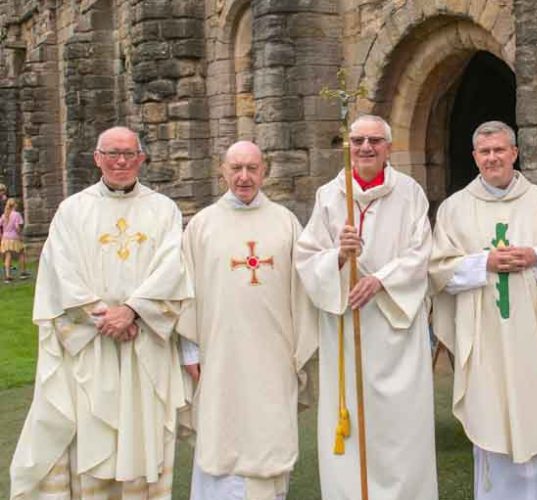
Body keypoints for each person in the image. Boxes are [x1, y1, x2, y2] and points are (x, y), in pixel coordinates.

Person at [9, 126, 192, 499]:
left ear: (141, 158)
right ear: (97, 159)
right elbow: (59, 274)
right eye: (111, 153)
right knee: (93, 434)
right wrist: (103, 317)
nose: (120, 161)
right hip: (92, 349)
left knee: (143, 439)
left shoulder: (164, 210)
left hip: (143, 347)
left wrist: (133, 311)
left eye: (128, 153)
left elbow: (173, 268)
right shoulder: (72, 211)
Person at [429, 121, 537, 500]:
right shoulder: (455, 209)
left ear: (514, 153)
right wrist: (484, 264)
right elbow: (438, 271)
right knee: (491, 420)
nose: (493, 157)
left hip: (533, 335)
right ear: (475, 158)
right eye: (485, 152)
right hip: (485, 338)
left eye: (500, 150)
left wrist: (535, 256)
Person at [296, 115, 438, 499]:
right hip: (347, 323)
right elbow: (307, 257)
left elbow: (422, 252)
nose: (365, 148)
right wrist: (339, 258)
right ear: (349, 147)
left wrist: (380, 280)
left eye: (375, 140)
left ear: (388, 148)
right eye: (358, 140)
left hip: (395, 327)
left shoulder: (410, 193)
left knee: (399, 423)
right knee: (353, 422)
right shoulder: (329, 195)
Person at [176, 141, 318, 499]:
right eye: (236, 168)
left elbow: (303, 293)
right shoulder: (201, 226)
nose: (243, 177)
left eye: (252, 168)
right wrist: (191, 352)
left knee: (267, 436)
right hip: (218, 356)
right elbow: (185, 290)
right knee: (221, 434)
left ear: (264, 172)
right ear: (222, 170)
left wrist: (297, 354)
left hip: (273, 356)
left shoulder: (285, 223)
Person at [1, 198, 29, 282]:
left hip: (5, 238)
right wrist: (20, 234)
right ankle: (23, 273)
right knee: (22, 253)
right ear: (15, 205)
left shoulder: (4, 215)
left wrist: (1, 235)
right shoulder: (17, 214)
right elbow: (17, 227)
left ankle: (8, 276)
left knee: (8, 256)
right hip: (14, 238)